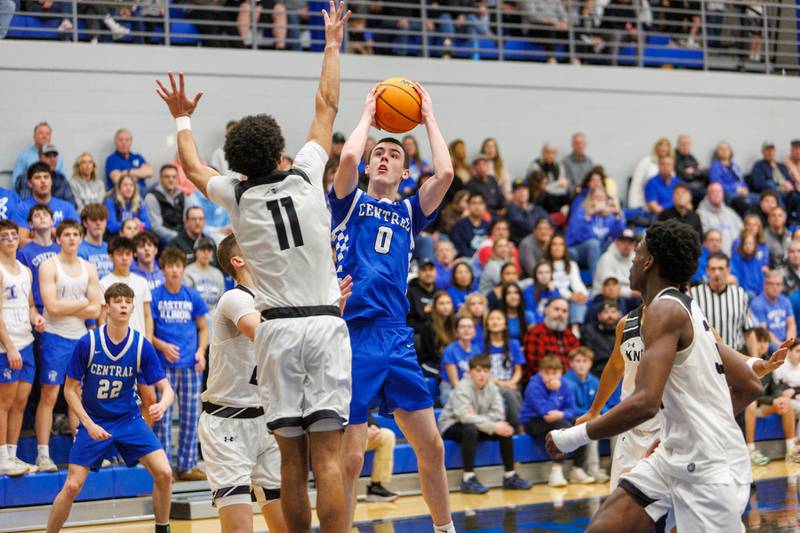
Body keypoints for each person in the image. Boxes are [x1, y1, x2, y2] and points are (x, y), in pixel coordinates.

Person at [159, 4, 353, 528]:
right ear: (281, 152)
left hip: (278, 332)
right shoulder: (309, 173)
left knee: (288, 464)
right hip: (324, 320)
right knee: (329, 459)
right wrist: (332, 43)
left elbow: (192, 166)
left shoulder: (236, 196)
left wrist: (182, 115)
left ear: (239, 162)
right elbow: (327, 104)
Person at [547, 219, 768, 532]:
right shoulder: (688, 311)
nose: (632, 262)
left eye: (637, 253)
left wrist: (572, 437)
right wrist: (682, 431)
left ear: (649, 261)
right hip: (671, 454)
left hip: (709, 469)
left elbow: (646, 402)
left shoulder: (666, 311)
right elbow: (750, 384)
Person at [331, 79, 456, 533]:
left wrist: (427, 119)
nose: (385, 157)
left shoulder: (408, 212)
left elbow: (444, 175)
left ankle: (445, 529)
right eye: (378, 154)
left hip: (395, 334)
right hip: (354, 333)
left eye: (395, 155)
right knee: (349, 461)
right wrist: (368, 113)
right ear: (368, 166)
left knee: (433, 447)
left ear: (405, 172)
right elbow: (347, 157)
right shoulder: (348, 202)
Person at [45, 283, 173, 533]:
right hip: (94, 419)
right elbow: (69, 391)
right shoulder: (88, 343)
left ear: (133, 307)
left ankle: (162, 528)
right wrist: (89, 425)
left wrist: (162, 404)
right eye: (118, 301)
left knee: (165, 472)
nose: (123, 305)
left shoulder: (140, 345)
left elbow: (166, 389)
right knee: (72, 486)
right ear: (106, 308)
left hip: (129, 420)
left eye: (127, 301)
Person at [199, 235, 288, 533]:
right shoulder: (235, 297)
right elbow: (259, 330)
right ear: (238, 261)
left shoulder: (275, 298)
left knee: (289, 525)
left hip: (265, 422)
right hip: (227, 423)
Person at [37, 220, 102, 472]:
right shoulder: (48, 265)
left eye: (76, 234)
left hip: (81, 338)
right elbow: (51, 307)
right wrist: (81, 303)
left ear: (80, 238)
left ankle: (81, 450)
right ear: (59, 238)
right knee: (50, 395)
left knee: (80, 395)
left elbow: (96, 309)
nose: (72, 238)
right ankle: (43, 454)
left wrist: (70, 307)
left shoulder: (89, 268)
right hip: (54, 337)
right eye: (67, 235)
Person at [149, 247, 208, 481]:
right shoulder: (155, 296)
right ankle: (164, 467)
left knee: (191, 416)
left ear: (184, 269)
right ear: (162, 270)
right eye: (170, 266)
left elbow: (203, 328)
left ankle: (187, 465)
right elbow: (148, 332)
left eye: (178, 266)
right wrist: (162, 346)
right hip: (163, 366)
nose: (174, 270)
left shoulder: (192, 296)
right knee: (162, 417)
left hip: (190, 366)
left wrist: (202, 352)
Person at [439, 354, 532, 494]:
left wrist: (477, 417)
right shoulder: (461, 387)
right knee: (471, 429)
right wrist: (491, 425)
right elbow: (463, 416)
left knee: (505, 429)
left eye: (486, 371)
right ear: (470, 372)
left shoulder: (492, 388)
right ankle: (468, 479)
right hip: (451, 424)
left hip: (476, 424)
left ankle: (510, 476)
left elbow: (498, 414)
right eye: (478, 370)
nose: (482, 375)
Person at [0, 220, 43, 476]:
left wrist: (36, 318)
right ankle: (1, 456)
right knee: (3, 403)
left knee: (20, 402)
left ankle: (12, 456)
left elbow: (29, 306)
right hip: (7, 347)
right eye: (3, 236)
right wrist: (9, 346)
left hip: (26, 342)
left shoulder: (26, 270)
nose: (9, 240)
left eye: (13, 235)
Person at [522, 354, 586, 486]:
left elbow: (573, 409)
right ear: (540, 372)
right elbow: (545, 412)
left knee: (580, 424)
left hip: (558, 418)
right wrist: (554, 392)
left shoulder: (566, 384)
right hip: (533, 422)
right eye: (547, 373)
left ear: (561, 372)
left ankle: (577, 469)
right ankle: (556, 472)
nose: (551, 377)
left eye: (555, 373)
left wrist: (561, 414)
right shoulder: (533, 386)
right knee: (562, 425)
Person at [743, 327, 800, 466]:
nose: (762, 345)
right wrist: (772, 400)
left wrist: (777, 399)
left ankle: (791, 450)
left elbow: (775, 389)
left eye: (765, 341)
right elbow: (749, 392)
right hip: (743, 405)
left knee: (785, 402)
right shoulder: (742, 359)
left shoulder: (767, 361)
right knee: (750, 403)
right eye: (759, 341)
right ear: (750, 341)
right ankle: (750, 451)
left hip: (761, 405)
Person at [690, 252, 757, 356]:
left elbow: (748, 331)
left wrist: (755, 361)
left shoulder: (740, 294)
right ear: (707, 270)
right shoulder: (693, 294)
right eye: (713, 269)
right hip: (705, 357)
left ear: (728, 270)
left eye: (721, 268)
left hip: (734, 355)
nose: (717, 273)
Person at [563, 346, 610, 484]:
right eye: (577, 361)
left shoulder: (594, 381)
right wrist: (593, 415)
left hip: (593, 416)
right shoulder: (566, 381)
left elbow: (602, 404)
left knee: (619, 429)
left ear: (590, 363)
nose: (581, 364)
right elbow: (571, 408)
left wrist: (607, 414)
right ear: (571, 363)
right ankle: (593, 470)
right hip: (574, 419)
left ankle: (616, 468)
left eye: (585, 361)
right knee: (592, 428)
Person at [98, 237, 153, 339]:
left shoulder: (142, 282)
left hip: (139, 341)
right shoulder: (103, 283)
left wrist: (148, 342)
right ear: (111, 256)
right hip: (114, 342)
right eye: (120, 254)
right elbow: (102, 317)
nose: (124, 258)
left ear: (133, 256)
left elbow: (147, 316)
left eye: (128, 254)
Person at [565, 186, 625, 280]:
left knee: (618, 244)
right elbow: (577, 237)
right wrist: (588, 216)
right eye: (596, 198)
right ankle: (597, 282)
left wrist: (617, 215)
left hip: (599, 249)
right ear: (590, 199)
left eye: (602, 198)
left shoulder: (609, 216)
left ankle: (620, 280)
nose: (599, 201)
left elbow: (618, 234)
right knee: (593, 243)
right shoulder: (581, 212)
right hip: (579, 250)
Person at [12, 163, 79, 244]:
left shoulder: (67, 207)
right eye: (38, 177)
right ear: (30, 183)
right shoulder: (22, 208)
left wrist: (45, 230)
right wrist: (61, 235)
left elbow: (76, 237)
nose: (43, 181)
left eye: (46, 177)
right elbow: (22, 242)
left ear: (51, 181)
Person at [523, 297, 580, 380]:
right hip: (544, 381)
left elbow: (578, 360)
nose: (560, 314)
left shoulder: (569, 335)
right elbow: (535, 366)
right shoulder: (536, 333)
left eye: (564, 311)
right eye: (556, 309)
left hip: (570, 381)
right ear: (546, 310)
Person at [17, 205, 60, 315]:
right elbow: (22, 286)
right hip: (37, 310)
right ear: (30, 224)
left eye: (45, 215)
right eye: (37, 215)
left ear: (52, 221)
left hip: (61, 306)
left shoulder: (61, 249)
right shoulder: (23, 253)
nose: (42, 217)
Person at [544, 234, 588, 324]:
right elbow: (553, 286)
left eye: (560, 245)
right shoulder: (545, 265)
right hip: (554, 296)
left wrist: (582, 294)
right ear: (550, 248)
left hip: (572, 297)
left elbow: (577, 283)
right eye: (554, 244)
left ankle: (575, 329)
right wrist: (570, 296)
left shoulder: (572, 264)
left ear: (564, 248)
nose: (557, 247)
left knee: (580, 302)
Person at [183, 238, 225, 329]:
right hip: (195, 317)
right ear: (195, 252)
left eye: (209, 250)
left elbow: (221, 301)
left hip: (214, 317)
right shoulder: (188, 272)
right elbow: (186, 300)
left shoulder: (218, 274)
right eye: (202, 249)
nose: (206, 253)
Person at [440, 316, 481, 407]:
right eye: (462, 327)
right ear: (456, 332)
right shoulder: (449, 350)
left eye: (469, 327)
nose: (466, 329)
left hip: (471, 387)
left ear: (474, 332)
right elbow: (455, 382)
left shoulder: (477, 350)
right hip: (451, 388)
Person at [750, 270, 797, 349]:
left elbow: (791, 323)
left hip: (785, 341)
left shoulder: (785, 301)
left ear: (782, 286)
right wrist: (782, 346)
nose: (775, 287)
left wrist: (789, 343)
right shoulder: (757, 303)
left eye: (778, 284)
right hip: (769, 343)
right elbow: (764, 331)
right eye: (771, 284)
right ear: (765, 285)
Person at [696, 181, 743, 256]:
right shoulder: (699, 215)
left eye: (719, 191)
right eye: (713, 192)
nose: (716, 194)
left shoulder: (731, 213)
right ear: (707, 194)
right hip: (711, 260)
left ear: (723, 194)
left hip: (734, 258)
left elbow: (742, 232)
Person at [144, 164, 186, 247]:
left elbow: (186, 220)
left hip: (181, 235)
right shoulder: (152, 197)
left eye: (174, 177)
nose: (171, 180)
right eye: (167, 177)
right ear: (161, 179)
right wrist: (177, 237)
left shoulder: (181, 195)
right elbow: (155, 227)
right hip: (163, 239)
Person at [592, 228, 637, 298]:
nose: (626, 245)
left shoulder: (635, 259)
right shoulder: (606, 258)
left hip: (629, 296)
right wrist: (631, 293)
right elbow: (610, 288)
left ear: (634, 245)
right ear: (616, 242)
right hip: (602, 297)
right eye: (623, 241)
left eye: (630, 242)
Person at [364, 413, 399, 502]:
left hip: (360, 434)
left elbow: (365, 411)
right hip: (342, 437)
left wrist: (372, 426)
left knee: (387, 435)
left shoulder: (355, 398)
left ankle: (376, 487)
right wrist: (360, 431)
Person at [580, 301, 621, 376]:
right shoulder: (589, 331)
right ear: (599, 316)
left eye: (613, 312)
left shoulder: (623, 331)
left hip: (620, 372)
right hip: (597, 372)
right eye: (606, 312)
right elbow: (588, 355)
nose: (610, 315)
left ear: (619, 315)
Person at [628, 138, 671, 210]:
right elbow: (636, 183)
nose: (663, 148)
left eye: (666, 145)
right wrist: (633, 205)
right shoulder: (646, 161)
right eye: (661, 145)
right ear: (656, 147)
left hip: (664, 206)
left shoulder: (671, 164)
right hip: (644, 204)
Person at [77, 204, 113, 280]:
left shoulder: (111, 248)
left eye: (102, 219)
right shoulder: (79, 251)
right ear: (85, 223)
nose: (98, 223)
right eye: (93, 219)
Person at [451, 192, 490, 258]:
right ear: (468, 205)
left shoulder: (487, 225)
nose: (477, 206)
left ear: (485, 206)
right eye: (474, 203)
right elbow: (459, 247)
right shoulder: (460, 225)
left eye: (480, 203)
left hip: (485, 259)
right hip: (467, 259)